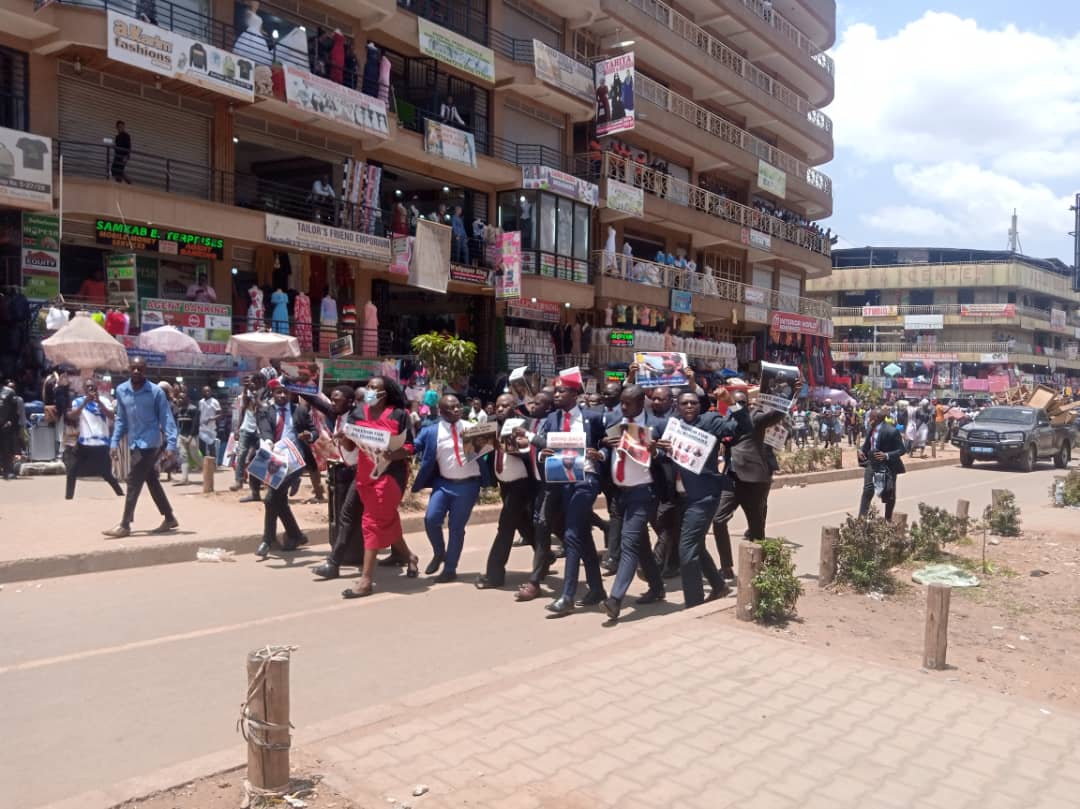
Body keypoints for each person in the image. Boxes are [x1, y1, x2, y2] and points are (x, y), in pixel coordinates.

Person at [657, 389, 746, 608]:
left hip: (703, 497)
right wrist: (657, 448)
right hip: (679, 498)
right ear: (677, 406)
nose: (689, 407)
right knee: (694, 544)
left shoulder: (710, 421)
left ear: (700, 406)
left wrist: (732, 403)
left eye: (693, 403)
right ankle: (718, 586)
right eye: (685, 403)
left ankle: (693, 605)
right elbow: (661, 456)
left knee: (686, 552)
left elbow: (741, 428)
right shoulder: (673, 424)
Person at [529, 377, 607, 616]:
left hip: (585, 481)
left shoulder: (591, 417)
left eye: (561, 391)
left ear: (575, 394)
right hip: (561, 481)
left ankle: (568, 595)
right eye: (556, 392)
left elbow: (606, 444)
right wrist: (544, 452)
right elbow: (543, 447)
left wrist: (600, 454)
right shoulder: (551, 419)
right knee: (582, 535)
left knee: (572, 534)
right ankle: (596, 589)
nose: (556, 395)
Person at [342, 376, 421, 597]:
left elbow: (409, 447)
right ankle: (409, 557)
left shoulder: (398, 415)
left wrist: (393, 453)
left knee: (372, 521)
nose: (370, 390)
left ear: (385, 393)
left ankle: (366, 580)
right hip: (366, 475)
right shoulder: (357, 412)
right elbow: (350, 443)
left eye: (375, 388)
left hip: (391, 475)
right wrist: (343, 437)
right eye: (368, 387)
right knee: (386, 519)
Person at [601, 385, 668, 621]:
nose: (623, 407)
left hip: (643, 493)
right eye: (622, 402)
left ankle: (615, 599)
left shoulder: (656, 424)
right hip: (619, 492)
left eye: (628, 403)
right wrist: (603, 450)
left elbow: (668, 456)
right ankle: (658, 587)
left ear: (641, 403)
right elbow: (602, 447)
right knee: (640, 545)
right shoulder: (613, 421)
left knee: (628, 544)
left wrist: (655, 452)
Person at [711, 390, 785, 580]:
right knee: (718, 520)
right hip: (731, 478)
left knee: (756, 526)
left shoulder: (755, 419)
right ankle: (726, 567)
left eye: (744, 403)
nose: (741, 406)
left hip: (754, 480)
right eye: (737, 403)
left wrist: (789, 394)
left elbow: (777, 414)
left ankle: (760, 569)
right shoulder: (724, 422)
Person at [104, 358, 178, 537]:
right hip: (133, 443)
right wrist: (114, 442)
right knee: (151, 479)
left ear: (146, 370)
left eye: (140, 368)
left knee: (133, 480)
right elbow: (121, 419)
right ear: (129, 369)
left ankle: (125, 524)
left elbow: (167, 418)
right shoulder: (122, 391)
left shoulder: (155, 392)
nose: (137, 371)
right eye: (134, 368)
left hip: (151, 443)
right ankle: (169, 518)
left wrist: (172, 443)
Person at [412, 394, 482, 583]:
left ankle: (450, 568)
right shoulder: (432, 431)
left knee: (456, 528)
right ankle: (439, 552)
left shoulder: (472, 428)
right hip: (443, 484)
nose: (457, 410)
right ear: (441, 412)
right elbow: (414, 447)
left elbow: (486, 454)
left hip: (468, 485)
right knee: (431, 519)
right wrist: (395, 447)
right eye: (451, 408)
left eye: (458, 406)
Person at [476, 393, 536, 590]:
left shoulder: (525, 424)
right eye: (498, 406)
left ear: (514, 407)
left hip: (523, 484)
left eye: (505, 406)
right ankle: (545, 555)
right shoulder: (491, 424)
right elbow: (474, 448)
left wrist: (514, 447)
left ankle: (494, 574)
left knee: (505, 527)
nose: (500, 409)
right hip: (505, 484)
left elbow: (530, 453)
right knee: (522, 522)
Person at [255, 385, 313, 557]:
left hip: (295, 461)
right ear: (272, 394)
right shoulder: (266, 411)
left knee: (270, 499)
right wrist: (268, 443)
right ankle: (296, 535)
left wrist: (309, 436)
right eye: (278, 392)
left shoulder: (300, 411)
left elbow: (313, 430)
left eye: (285, 392)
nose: (281, 395)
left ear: (290, 394)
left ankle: (268, 539)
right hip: (274, 457)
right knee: (279, 501)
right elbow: (265, 431)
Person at [66, 379, 124, 499]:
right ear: (84, 389)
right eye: (88, 387)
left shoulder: (105, 401)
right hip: (84, 442)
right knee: (72, 470)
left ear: (96, 388)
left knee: (106, 473)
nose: (90, 389)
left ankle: (120, 493)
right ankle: (68, 497)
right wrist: (84, 403)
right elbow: (72, 416)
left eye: (93, 387)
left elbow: (113, 417)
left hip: (101, 443)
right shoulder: (78, 401)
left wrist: (100, 404)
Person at [858, 406, 907, 521]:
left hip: (888, 465)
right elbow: (867, 446)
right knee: (868, 489)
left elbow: (902, 450)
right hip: (872, 463)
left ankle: (888, 519)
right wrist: (861, 450)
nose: (868, 420)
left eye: (870, 418)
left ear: (875, 419)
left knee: (889, 493)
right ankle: (861, 519)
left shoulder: (892, 431)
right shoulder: (871, 429)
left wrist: (887, 455)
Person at [231, 376, 265, 502]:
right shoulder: (246, 394)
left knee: (260, 457)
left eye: (255, 382)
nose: (253, 384)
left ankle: (260, 482)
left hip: (259, 429)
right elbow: (243, 410)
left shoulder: (264, 393)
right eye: (251, 382)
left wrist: (256, 397)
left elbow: (262, 407)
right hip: (247, 427)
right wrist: (238, 428)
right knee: (241, 454)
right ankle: (238, 481)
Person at [173, 387, 201, 486]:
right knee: (183, 456)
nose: (180, 400)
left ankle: (205, 467)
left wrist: (190, 436)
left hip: (191, 436)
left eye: (182, 398)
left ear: (187, 399)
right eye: (179, 398)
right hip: (181, 436)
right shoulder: (179, 410)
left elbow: (195, 424)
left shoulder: (193, 409)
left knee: (194, 454)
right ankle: (184, 479)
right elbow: (174, 418)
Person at [0, 378, 22, 480]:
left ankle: (7, 471)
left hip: (5, 424)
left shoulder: (9, 392)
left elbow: (15, 410)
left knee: (6, 449)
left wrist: (11, 422)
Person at [197, 386, 221, 462]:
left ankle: (212, 464)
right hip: (202, 428)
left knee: (211, 446)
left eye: (209, 391)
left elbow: (219, 414)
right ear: (202, 392)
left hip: (211, 428)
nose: (207, 393)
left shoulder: (214, 401)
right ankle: (204, 464)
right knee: (201, 447)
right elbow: (199, 414)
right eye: (205, 391)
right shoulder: (201, 402)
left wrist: (211, 419)